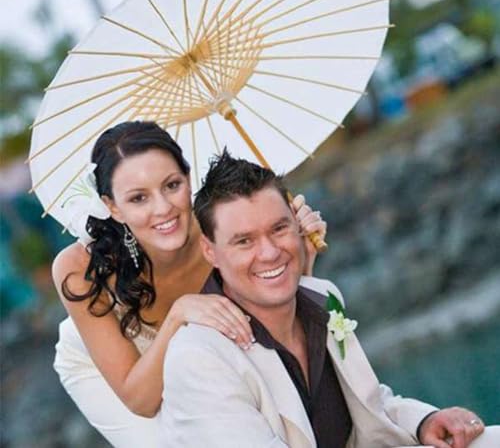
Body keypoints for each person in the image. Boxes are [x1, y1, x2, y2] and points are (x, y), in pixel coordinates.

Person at [160, 150, 499, 448]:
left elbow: (367, 405)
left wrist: (423, 422)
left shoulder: (322, 298)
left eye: (279, 228)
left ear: (298, 224)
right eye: (244, 241)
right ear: (210, 251)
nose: (270, 252)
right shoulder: (198, 358)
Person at [51, 121, 326, 447]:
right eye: (139, 198)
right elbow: (140, 401)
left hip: (199, 351)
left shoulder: (218, 232)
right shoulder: (79, 269)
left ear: (188, 177)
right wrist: (178, 315)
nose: (163, 208)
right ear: (113, 207)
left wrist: (298, 257)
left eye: (172, 185)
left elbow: (275, 324)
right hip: (116, 373)